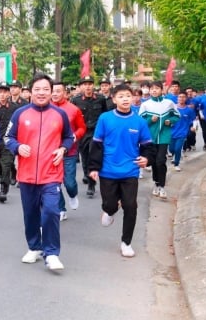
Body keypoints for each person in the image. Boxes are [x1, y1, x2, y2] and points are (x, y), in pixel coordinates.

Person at [5, 73, 74, 271]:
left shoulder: (60, 114)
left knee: (52, 210)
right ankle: (34, 247)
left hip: (51, 173)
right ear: (30, 92)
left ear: (52, 92)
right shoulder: (20, 114)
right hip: (26, 174)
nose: (42, 93)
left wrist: (63, 149)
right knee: (30, 213)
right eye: (37, 89)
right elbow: (8, 138)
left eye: (46, 89)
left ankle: (52, 253)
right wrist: (17, 147)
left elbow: (69, 138)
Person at [89, 84, 155, 258]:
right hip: (108, 170)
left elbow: (148, 145)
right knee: (110, 204)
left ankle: (126, 243)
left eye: (128, 96)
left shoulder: (139, 121)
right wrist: (94, 168)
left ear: (133, 98)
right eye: (121, 96)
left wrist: (146, 158)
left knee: (131, 205)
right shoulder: (105, 118)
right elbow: (96, 144)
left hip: (130, 170)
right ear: (114, 99)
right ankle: (110, 209)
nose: (125, 99)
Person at [51, 81, 86, 221]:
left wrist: (75, 136)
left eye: (58, 91)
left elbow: (82, 128)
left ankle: (72, 194)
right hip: (51, 152)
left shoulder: (73, 109)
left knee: (69, 182)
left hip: (69, 152)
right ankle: (61, 209)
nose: (55, 94)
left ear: (65, 93)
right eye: (52, 91)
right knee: (54, 183)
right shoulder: (45, 108)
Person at [139, 80, 180, 200]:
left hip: (164, 136)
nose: (154, 90)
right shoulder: (145, 105)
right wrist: (151, 120)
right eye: (152, 89)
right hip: (150, 138)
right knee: (154, 162)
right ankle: (156, 183)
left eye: (156, 88)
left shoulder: (169, 103)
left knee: (161, 161)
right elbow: (141, 122)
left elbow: (177, 115)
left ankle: (162, 187)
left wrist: (170, 121)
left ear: (162, 90)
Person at [71, 75, 108, 198]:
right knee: (85, 157)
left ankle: (91, 185)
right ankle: (87, 174)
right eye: (85, 84)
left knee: (93, 156)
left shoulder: (101, 99)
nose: (88, 86)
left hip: (97, 132)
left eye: (90, 84)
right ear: (81, 86)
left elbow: (105, 116)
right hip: (83, 132)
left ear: (93, 85)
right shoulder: (76, 100)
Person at [0, 81, 20, 203]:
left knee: (6, 163)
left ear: (8, 93)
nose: (2, 94)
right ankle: (12, 171)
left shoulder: (15, 108)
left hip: (9, 141)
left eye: (5, 91)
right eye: (0, 91)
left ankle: (3, 189)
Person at [169, 91, 195, 171]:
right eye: (180, 97)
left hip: (182, 132)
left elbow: (193, 120)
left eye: (183, 97)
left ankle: (176, 164)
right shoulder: (173, 109)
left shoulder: (189, 110)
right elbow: (167, 119)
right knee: (171, 149)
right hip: (171, 132)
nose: (181, 98)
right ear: (177, 98)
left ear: (186, 98)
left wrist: (193, 127)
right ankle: (174, 155)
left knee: (178, 149)